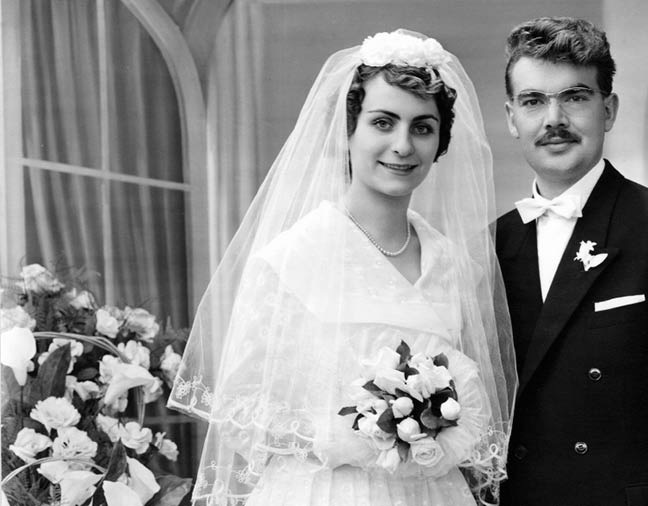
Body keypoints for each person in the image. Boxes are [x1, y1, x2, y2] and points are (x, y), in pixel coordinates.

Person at [169, 30, 516, 506]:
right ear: (348, 131)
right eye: (383, 122)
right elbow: (240, 410)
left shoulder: (454, 263)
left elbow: (479, 405)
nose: (402, 145)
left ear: (440, 144)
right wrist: (358, 432)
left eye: (422, 127)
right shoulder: (293, 256)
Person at [495, 17, 648, 505]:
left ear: (608, 109)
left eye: (575, 97)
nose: (554, 119)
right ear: (510, 118)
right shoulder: (492, 245)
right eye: (533, 101)